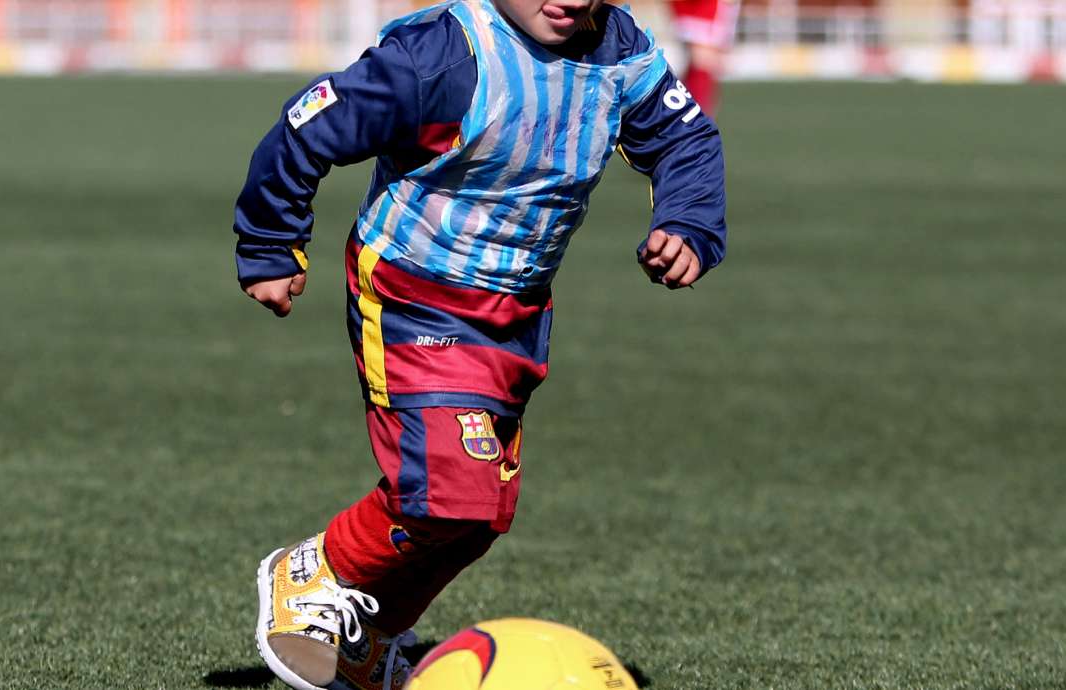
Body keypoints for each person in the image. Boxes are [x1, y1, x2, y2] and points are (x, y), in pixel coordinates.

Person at [231, 0, 727, 687]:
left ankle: (369, 633)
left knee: (482, 514)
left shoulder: (621, 50)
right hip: (413, 293)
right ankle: (315, 571)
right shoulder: (444, 53)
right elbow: (309, 125)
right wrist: (269, 242)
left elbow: (685, 140)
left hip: (516, 313)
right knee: (451, 493)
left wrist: (689, 222)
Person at [666, 0, 741, 115]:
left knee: (702, 64)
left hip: (709, 12)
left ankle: (696, 117)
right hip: (701, 11)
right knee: (700, 61)